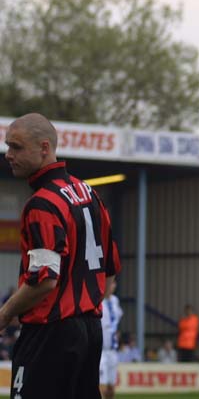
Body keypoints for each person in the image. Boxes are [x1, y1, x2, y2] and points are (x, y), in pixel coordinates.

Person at [0, 113, 121, 399]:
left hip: (50, 333)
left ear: (44, 148)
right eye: (8, 146)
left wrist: (5, 314)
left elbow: (44, 281)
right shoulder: (90, 194)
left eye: (17, 147)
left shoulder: (42, 203)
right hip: (90, 332)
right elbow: (110, 269)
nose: (8, 155)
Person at [99, 277, 123, 399]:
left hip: (113, 350)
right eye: (111, 283)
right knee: (101, 386)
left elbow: (116, 321)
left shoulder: (115, 301)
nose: (112, 286)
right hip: (101, 350)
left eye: (114, 283)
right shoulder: (99, 301)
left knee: (111, 388)